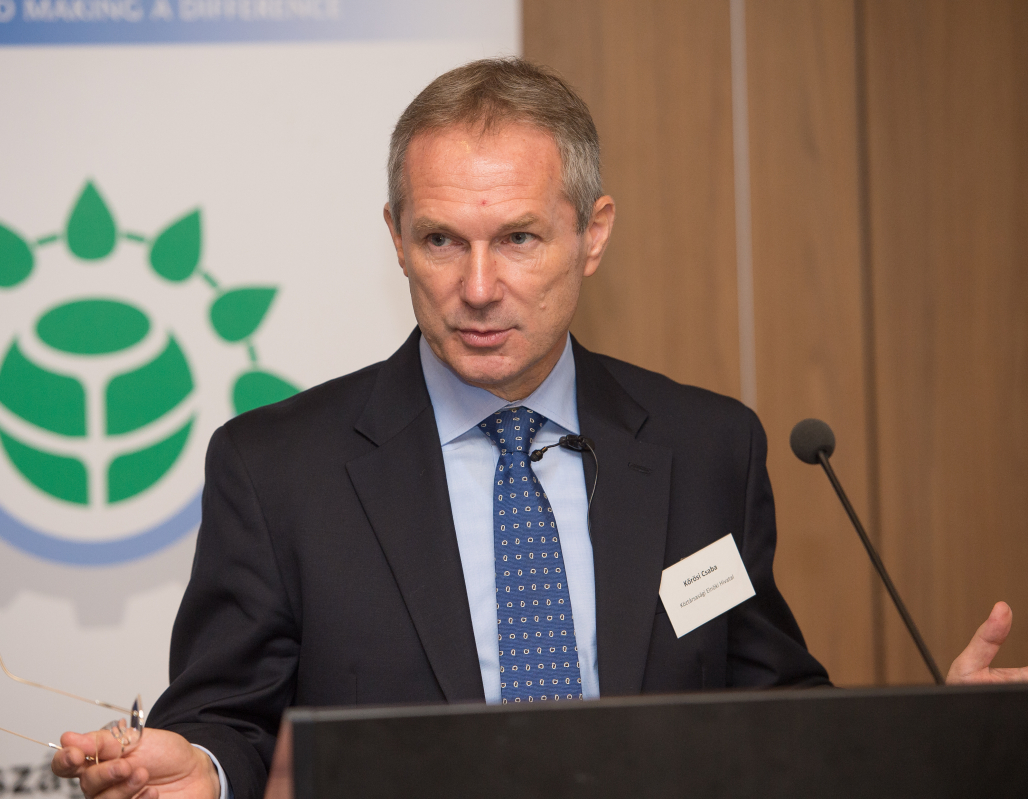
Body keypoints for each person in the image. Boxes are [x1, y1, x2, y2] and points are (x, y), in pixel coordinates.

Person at [51, 58, 1028, 799]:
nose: (478, 288)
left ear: (592, 233)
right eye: (442, 239)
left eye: (518, 237)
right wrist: (208, 769)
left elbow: (771, 715)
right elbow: (229, 719)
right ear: (396, 238)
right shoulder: (277, 469)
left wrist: (935, 737)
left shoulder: (706, 449)